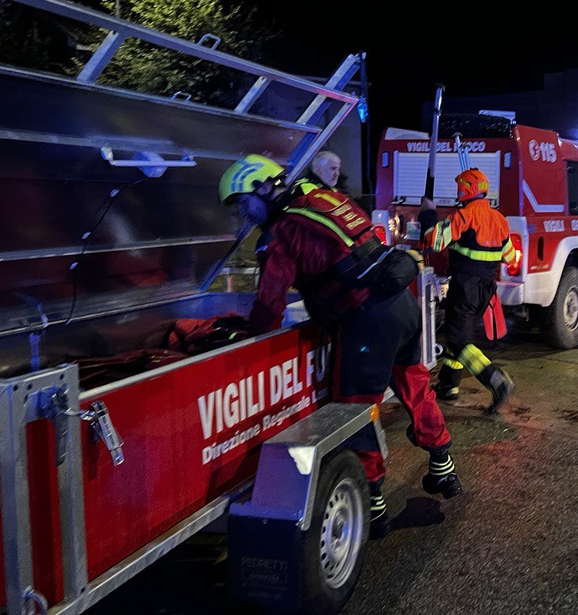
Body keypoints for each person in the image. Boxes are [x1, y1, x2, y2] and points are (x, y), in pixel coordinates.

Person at [219, 153, 461, 540]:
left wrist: (246, 341)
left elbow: (269, 304)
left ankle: (374, 501)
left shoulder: (281, 233)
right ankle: (442, 465)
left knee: (355, 409)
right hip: (401, 304)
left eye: (243, 204)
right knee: (414, 384)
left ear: (263, 188)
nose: (244, 216)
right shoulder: (326, 199)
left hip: (366, 322)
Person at [419, 167, 517, 409]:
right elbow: (510, 257)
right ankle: (448, 386)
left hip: (465, 287)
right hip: (486, 290)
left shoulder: (463, 216)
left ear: (464, 189)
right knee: (458, 334)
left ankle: (496, 379)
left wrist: (428, 215)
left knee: (458, 338)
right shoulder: (500, 219)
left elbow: (434, 240)